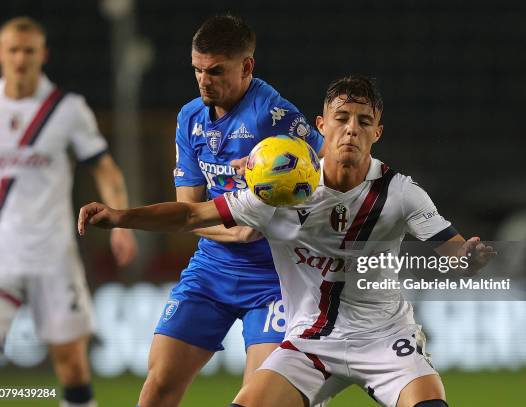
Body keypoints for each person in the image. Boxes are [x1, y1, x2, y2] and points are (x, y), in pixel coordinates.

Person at [77, 76, 495, 407]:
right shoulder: (281, 188)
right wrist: (121, 217)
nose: (351, 129)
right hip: (310, 343)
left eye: (363, 121)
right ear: (321, 125)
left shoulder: (401, 193)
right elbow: (190, 213)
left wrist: (469, 259)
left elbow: (456, 252)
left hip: (385, 339)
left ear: (378, 132)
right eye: (342, 118)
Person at [134, 14, 324, 407]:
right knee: (157, 385)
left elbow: (330, 174)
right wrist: (233, 232)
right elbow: (188, 210)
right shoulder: (190, 118)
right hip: (212, 270)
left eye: (216, 71)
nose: (205, 80)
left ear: (247, 66)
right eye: (198, 70)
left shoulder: (275, 116)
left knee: (259, 398)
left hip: (276, 278)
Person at [0, 17, 137, 407]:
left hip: (52, 255)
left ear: (42, 55)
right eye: (13, 50)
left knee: (71, 366)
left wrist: (121, 222)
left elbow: (104, 167)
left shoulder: (66, 109)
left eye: (29, 51)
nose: (20, 59)